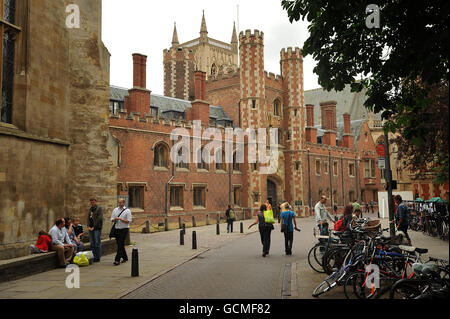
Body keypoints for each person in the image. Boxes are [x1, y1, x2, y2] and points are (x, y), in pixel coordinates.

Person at [111, 198, 132, 266]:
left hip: (124, 229)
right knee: (120, 244)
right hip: (117, 228)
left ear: (124, 203)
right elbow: (112, 219)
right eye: (119, 202)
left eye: (121, 203)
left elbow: (129, 221)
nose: (120, 204)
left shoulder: (127, 211)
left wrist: (121, 219)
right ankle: (125, 257)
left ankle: (117, 260)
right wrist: (115, 219)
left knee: (120, 243)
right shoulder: (115, 210)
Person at [88, 197, 103, 262]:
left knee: (97, 242)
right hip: (90, 228)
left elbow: (99, 218)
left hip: (97, 228)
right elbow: (88, 218)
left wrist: (94, 227)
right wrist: (88, 226)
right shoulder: (90, 209)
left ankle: (97, 257)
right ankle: (93, 256)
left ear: (96, 202)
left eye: (93, 202)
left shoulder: (99, 208)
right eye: (91, 202)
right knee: (92, 243)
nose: (92, 203)